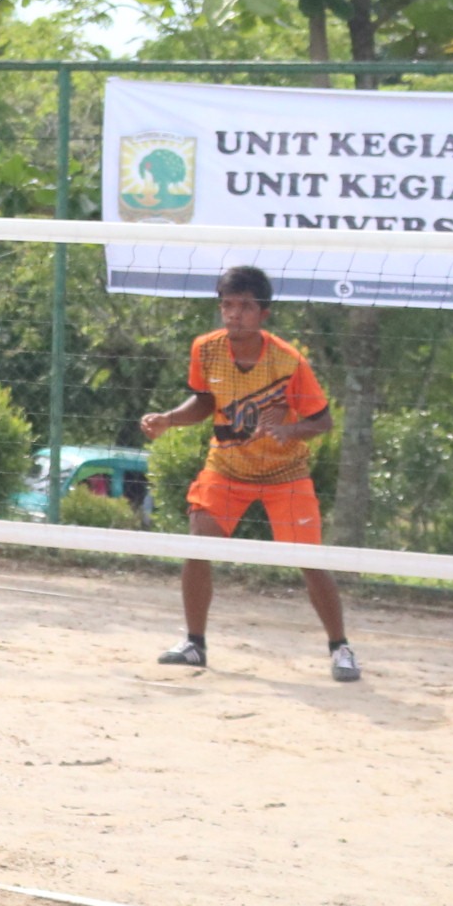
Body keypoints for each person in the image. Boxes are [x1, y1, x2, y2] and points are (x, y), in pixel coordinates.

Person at [138, 265, 360, 682]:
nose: (233, 314)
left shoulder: (288, 361)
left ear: (264, 314)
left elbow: (323, 421)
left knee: (310, 562)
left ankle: (340, 646)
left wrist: (289, 431)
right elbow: (205, 400)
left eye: (244, 306)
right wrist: (169, 418)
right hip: (226, 466)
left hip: (285, 473)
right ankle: (194, 644)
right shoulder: (206, 348)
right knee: (199, 546)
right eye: (227, 305)